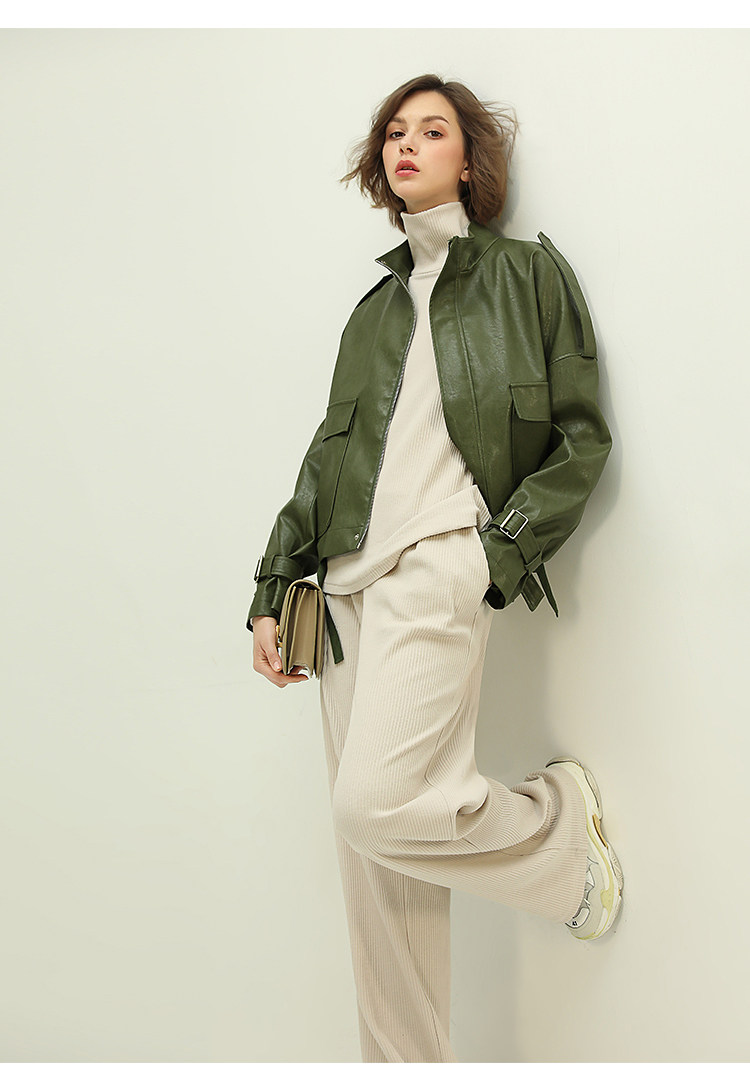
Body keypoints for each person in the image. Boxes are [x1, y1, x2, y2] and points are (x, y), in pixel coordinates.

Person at [247, 73, 623, 1063]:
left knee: (375, 804)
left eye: (432, 130)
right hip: (341, 594)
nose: (406, 144)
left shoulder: (524, 276)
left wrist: (497, 557)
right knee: (376, 877)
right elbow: (327, 457)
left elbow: (581, 436)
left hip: (439, 567)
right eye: (394, 133)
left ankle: (557, 843)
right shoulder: (372, 312)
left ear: (469, 160)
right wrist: (274, 584)